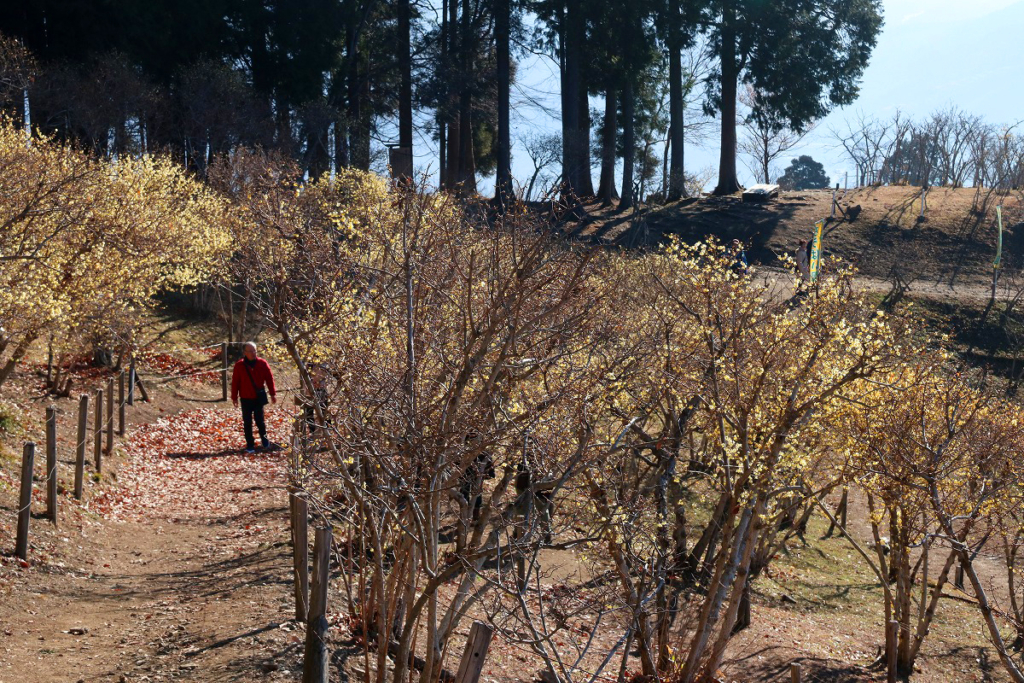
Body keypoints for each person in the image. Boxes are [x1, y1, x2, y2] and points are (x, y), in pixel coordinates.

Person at [231, 341, 277, 453]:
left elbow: (269, 379)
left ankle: (265, 441)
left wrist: (272, 394)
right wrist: (234, 397)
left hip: (258, 398)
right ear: (244, 352)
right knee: (247, 422)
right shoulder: (239, 365)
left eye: (254, 351)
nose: (253, 353)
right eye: (250, 351)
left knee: (260, 421)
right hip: (245, 398)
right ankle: (250, 445)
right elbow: (235, 382)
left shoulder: (262, 363)